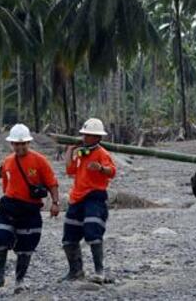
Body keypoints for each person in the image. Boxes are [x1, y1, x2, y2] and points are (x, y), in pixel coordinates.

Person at [0, 124, 60, 293]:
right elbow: (6, 185)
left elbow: (52, 183)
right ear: (12, 144)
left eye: (23, 143)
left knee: (26, 248)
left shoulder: (40, 160)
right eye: (16, 144)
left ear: (28, 143)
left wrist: (55, 203)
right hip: (9, 206)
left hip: (30, 209)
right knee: (0, 238)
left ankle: (19, 281)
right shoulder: (8, 162)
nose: (19, 147)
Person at [62, 118, 116, 284]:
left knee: (93, 232)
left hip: (95, 197)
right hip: (77, 197)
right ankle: (75, 271)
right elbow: (70, 169)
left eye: (89, 135)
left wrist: (100, 168)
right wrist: (70, 151)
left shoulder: (102, 153)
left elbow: (112, 171)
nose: (85, 138)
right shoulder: (80, 152)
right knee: (69, 236)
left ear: (97, 137)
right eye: (84, 134)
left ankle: (99, 271)